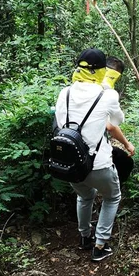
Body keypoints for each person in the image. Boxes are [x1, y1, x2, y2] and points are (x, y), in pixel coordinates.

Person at [54, 48, 124, 261]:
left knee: (84, 196)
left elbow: (59, 121)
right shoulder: (108, 95)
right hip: (98, 164)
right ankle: (100, 246)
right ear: (103, 71)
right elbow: (116, 122)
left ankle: (85, 237)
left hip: (70, 164)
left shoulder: (64, 92)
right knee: (112, 197)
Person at [102, 56, 135, 186]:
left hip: (70, 146)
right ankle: (115, 188)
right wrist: (127, 144)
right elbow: (111, 126)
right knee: (127, 162)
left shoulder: (72, 89)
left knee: (84, 196)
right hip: (91, 149)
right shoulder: (109, 93)